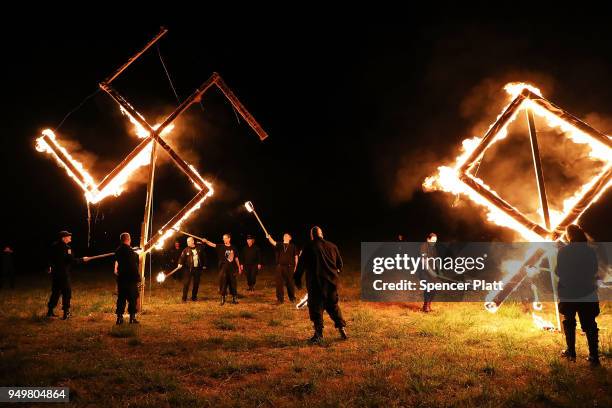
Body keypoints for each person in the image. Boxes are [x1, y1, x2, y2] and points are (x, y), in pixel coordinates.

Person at [556, 224, 600, 366]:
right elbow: (594, 269)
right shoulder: (590, 251)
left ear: (569, 236)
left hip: (569, 292)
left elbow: (559, 271)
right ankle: (594, 357)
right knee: (590, 324)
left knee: (569, 321)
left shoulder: (563, 251)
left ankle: (571, 352)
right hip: (587, 291)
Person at [294, 226, 347, 343]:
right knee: (333, 307)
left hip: (315, 284)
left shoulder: (308, 247)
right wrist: (334, 274)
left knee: (316, 309)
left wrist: (297, 280)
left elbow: (300, 266)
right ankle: (342, 328)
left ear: (312, 236)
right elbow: (340, 265)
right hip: (331, 284)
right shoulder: (332, 246)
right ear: (321, 234)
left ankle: (318, 335)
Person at [47, 231, 89, 320]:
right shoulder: (67, 248)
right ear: (63, 238)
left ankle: (50, 311)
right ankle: (66, 313)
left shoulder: (53, 246)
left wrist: (49, 266)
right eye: (68, 236)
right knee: (66, 292)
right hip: (63, 274)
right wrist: (82, 259)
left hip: (55, 274)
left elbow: (49, 258)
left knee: (55, 292)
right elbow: (71, 260)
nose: (70, 237)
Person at [202, 234, 241, 305]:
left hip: (232, 269)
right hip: (223, 269)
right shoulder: (221, 247)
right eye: (223, 238)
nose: (224, 240)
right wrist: (206, 241)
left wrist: (239, 267)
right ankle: (223, 299)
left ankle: (234, 299)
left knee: (233, 284)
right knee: (223, 284)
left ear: (229, 239)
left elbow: (236, 258)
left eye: (225, 238)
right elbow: (212, 244)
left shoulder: (233, 247)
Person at [114, 232, 140, 325]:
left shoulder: (118, 250)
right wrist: (138, 277)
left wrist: (133, 251)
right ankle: (132, 318)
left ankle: (119, 318)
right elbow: (134, 264)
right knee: (132, 298)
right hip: (130, 279)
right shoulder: (131, 252)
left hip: (121, 278)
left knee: (121, 298)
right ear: (129, 239)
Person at [267, 232, 299, 304]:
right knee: (279, 284)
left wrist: (296, 266)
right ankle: (280, 300)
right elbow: (273, 242)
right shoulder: (280, 244)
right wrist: (269, 237)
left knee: (290, 283)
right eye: (284, 235)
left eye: (287, 235)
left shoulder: (293, 246)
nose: (285, 236)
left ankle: (292, 298)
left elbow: (296, 257)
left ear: (290, 238)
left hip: (289, 267)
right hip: (280, 267)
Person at [176, 237, 207, 302]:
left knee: (196, 284)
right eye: (187, 241)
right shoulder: (185, 250)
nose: (187, 243)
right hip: (188, 269)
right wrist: (179, 263)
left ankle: (194, 297)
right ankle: (184, 299)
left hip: (197, 269)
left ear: (193, 241)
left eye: (189, 241)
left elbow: (203, 251)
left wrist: (203, 241)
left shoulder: (199, 248)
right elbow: (181, 258)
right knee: (186, 284)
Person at [419, 232, 438, 313]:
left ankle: (428, 305)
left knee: (434, 289)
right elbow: (424, 261)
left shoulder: (433, 248)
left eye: (435, 241)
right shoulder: (423, 246)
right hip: (424, 272)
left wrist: (439, 271)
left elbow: (436, 260)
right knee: (428, 288)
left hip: (432, 272)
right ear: (428, 239)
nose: (434, 242)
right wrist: (431, 272)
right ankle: (426, 306)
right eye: (433, 240)